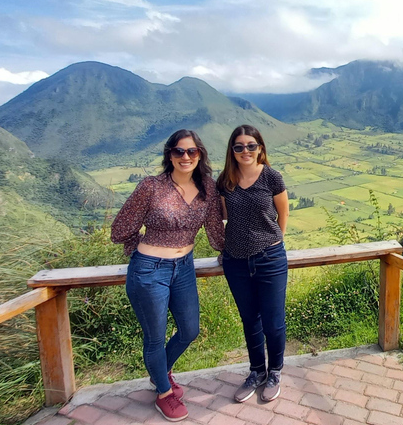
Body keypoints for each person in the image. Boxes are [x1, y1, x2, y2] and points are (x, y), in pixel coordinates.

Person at [111, 129, 225, 422]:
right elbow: (120, 228)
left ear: (200, 155)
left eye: (191, 152)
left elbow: (215, 231)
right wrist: (137, 247)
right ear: (169, 155)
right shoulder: (151, 187)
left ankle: (161, 371)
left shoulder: (208, 188)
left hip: (184, 268)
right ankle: (163, 393)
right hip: (149, 271)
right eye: (179, 151)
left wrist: (238, 251)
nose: (185, 157)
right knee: (154, 337)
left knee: (190, 330)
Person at [217, 124, 289, 403]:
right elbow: (222, 215)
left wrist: (272, 243)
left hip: (269, 258)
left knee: (273, 322)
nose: (245, 150)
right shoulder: (225, 180)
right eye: (239, 146)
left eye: (251, 145)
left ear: (260, 148)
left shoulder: (271, 176)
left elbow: (283, 215)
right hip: (235, 261)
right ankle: (257, 371)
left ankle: (275, 372)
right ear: (232, 151)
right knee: (250, 320)